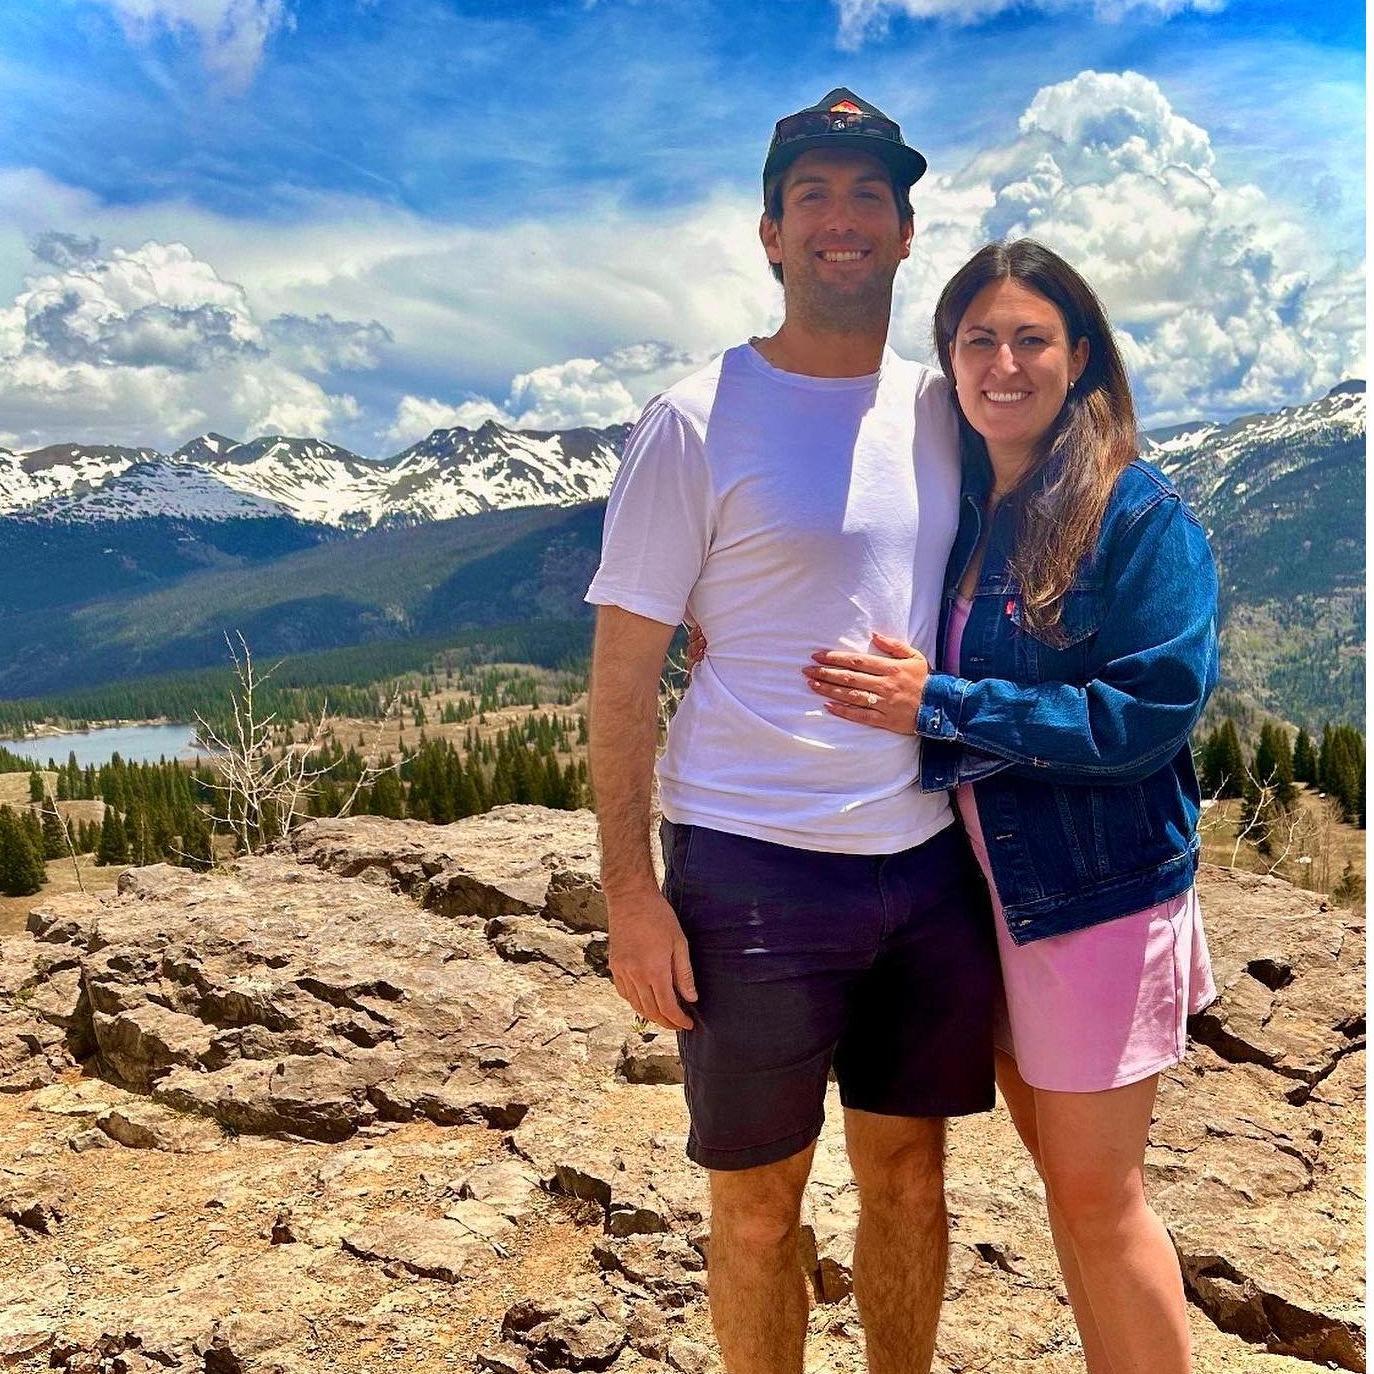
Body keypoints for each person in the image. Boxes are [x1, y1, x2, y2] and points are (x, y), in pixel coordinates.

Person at [584, 89, 999, 1374]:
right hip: (752, 869)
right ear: (769, 233)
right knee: (758, 1211)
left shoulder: (949, 409)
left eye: (867, 194)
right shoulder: (697, 418)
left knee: (912, 1180)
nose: (840, 218)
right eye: (811, 195)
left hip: (928, 867)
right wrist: (629, 895)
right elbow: (621, 674)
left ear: (907, 229)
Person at [783, 237, 1220, 1374]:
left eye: (1032, 338)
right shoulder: (976, 504)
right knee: (1071, 1199)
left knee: (1098, 1201)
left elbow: (1149, 712)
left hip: (1095, 905)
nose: (1005, 362)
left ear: (1081, 356)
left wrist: (945, 704)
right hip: (1000, 902)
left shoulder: (1137, 512)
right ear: (949, 358)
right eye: (979, 339)